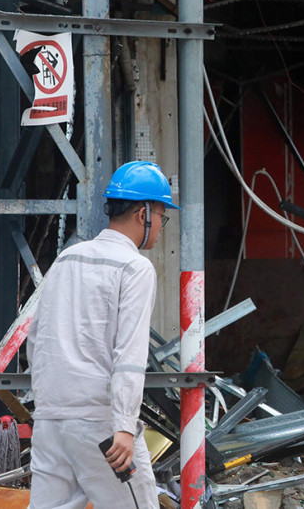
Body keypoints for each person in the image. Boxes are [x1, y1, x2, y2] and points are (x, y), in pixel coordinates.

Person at [28, 161, 179, 509]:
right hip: (101, 425)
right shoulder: (135, 268)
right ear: (143, 214)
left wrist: (48, 402)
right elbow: (129, 355)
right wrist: (124, 426)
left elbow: (37, 338)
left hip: (51, 421)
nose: (160, 227)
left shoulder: (67, 259)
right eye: (161, 215)